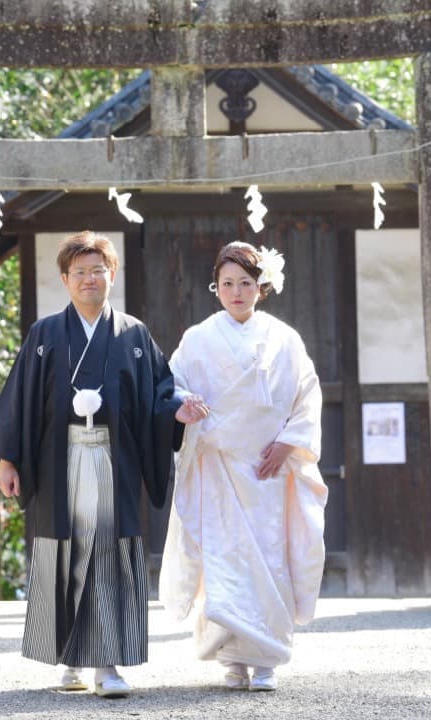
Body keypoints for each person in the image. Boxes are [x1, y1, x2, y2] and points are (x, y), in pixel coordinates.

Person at [0, 231, 206, 698]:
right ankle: (70, 656)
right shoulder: (45, 334)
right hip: (57, 460)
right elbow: (20, 399)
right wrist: (8, 460)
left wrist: (176, 411)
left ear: (112, 275)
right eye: (79, 272)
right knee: (65, 553)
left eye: (97, 270)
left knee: (108, 552)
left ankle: (107, 664)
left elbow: (159, 392)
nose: (89, 279)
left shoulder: (133, 334)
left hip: (111, 458)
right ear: (65, 278)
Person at [158, 241, 328, 692]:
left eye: (246, 283)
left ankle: (267, 657)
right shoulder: (197, 339)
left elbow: (306, 396)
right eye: (228, 284)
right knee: (224, 561)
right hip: (217, 464)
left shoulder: (284, 338)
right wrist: (183, 408)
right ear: (216, 287)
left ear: (261, 287)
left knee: (269, 558)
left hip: (265, 466)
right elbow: (172, 385)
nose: (236, 292)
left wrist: (289, 443)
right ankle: (232, 658)